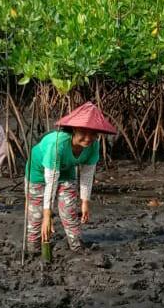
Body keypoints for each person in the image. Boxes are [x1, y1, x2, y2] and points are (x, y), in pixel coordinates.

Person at [25, 102, 118, 253]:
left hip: (66, 170)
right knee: (36, 215)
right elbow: (51, 182)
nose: (88, 138)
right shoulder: (58, 144)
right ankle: (33, 248)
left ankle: (76, 246)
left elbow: (87, 175)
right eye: (83, 132)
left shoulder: (93, 146)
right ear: (74, 129)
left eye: (93, 134)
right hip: (39, 171)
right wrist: (47, 216)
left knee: (69, 212)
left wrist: (85, 202)